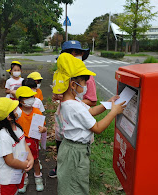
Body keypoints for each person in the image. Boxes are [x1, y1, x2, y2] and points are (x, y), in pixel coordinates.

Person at [52, 53, 126, 195]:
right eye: (85, 81)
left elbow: (90, 111)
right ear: (73, 84)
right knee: (75, 186)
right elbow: (97, 128)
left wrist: (108, 104)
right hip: (75, 152)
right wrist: (113, 112)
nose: (86, 85)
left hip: (72, 149)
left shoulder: (73, 101)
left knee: (73, 182)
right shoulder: (74, 106)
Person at [49, 40, 97, 178]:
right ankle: (60, 167)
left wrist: (75, 104)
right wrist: (58, 97)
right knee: (62, 142)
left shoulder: (85, 76)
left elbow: (92, 100)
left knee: (75, 143)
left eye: (78, 53)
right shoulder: (61, 74)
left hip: (77, 116)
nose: (74, 55)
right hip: (64, 115)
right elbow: (58, 92)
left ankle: (76, 169)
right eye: (71, 53)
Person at [0, 97, 34, 195]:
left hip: (18, 172)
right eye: (15, 108)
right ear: (9, 117)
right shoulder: (3, 137)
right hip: (8, 179)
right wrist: (25, 164)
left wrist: (31, 158)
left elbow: (24, 143)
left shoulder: (17, 128)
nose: (19, 109)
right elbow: (10, 161)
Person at [15, 86, 47, 193]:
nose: (31, 99)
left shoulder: (37, 112)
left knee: (36, 159)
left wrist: (43, 129)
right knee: (23, 161)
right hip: (21, 142)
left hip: (33, 141)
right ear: (20, 100)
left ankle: (38, 177)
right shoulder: (17, 113)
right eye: (27, 97)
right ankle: (24, 179)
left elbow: (44, 127)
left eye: (32, 96)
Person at [22, 78, 47, 151]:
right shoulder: (19, 105)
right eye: (29, 88)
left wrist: (43, 127)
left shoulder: (37, 101)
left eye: (34, 88)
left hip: (35, 128)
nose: (32, 90)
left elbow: (41, 114)